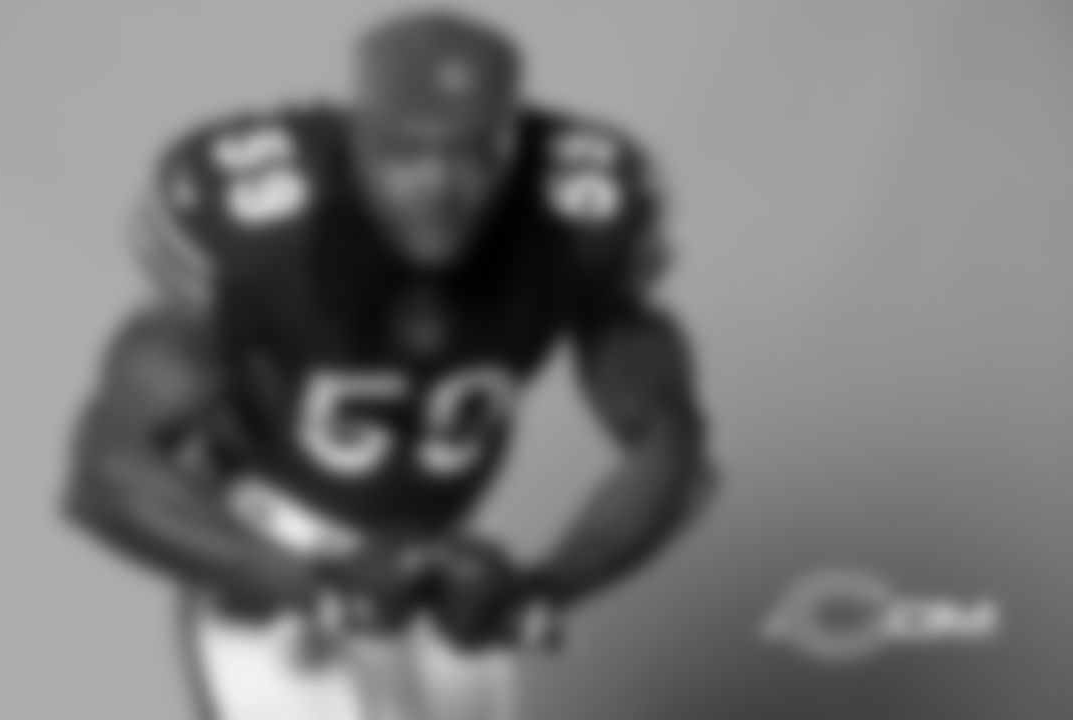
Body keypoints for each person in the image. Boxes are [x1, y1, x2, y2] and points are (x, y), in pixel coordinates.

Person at [64, 8, 718, 720]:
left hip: (444, 567)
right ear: (358, 138)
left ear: (510, 145)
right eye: (405, 153)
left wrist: (543, 588)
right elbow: (105, 473)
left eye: (470, 154)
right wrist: (313, 585)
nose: (437, 186)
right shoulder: (261, 224)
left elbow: (674, 447)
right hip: (275, 545)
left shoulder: (576, 206)